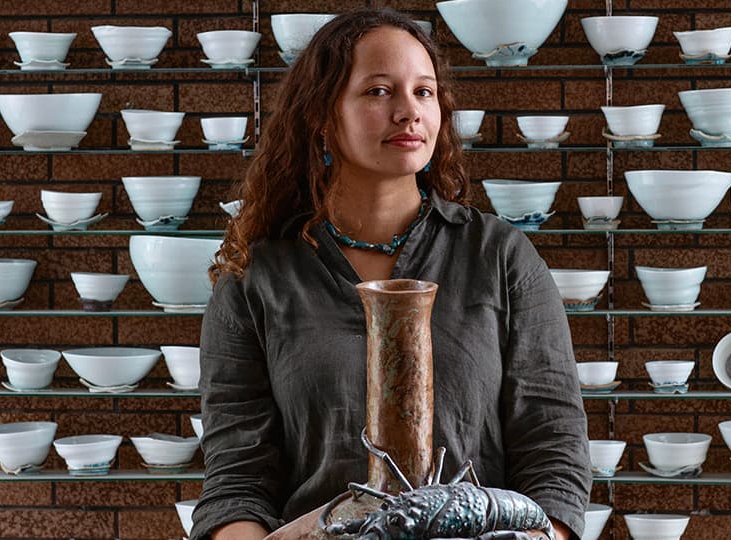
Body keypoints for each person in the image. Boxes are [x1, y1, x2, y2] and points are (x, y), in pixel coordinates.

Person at [194, 8, 591, 540]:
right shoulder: (255, 277)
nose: (409, 112)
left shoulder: (499, 257)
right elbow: (236, 479)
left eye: (424, 92)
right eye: (379, 91)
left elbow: (554, 450)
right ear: (321, 115)